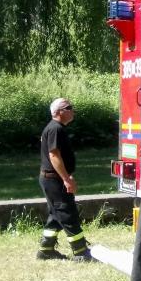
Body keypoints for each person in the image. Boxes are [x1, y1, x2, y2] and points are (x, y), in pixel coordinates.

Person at [37, 98, 93, 261]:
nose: (72, 110)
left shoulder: (57, 128)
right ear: (59, 112)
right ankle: (80, 251)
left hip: (53, 179)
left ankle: (45, 250)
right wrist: (66, 179)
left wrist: (67, 175)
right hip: (54, 180)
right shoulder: (55, 129)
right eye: (69, 107)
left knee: (56, 215)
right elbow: (54, 156)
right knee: (67, 213)